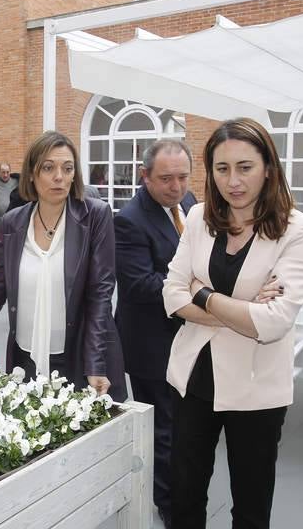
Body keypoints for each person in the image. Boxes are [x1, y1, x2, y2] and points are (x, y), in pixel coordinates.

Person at [163, 118, 303, 529]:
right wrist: (244, 308)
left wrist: (204, 293)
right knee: (185, 496)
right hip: (194, 378)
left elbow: (274, 323)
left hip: (257, 388)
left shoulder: (296, 231)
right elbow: (170, 295)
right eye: (222, 168)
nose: (233, 181)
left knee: (250, 506)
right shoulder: (198, 217)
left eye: (245, 167)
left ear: (268, 167)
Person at [0, 131, 126, 401]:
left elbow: (101, 294)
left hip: (78, 356)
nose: (59, 176)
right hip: (26, 358)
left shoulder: (95, 216)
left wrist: (95, 363)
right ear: (31, 174)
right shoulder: (12, 223)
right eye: (48, 167)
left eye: (67, 168)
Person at [114, 138, 197, 526]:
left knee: (182, 425)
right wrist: (196, 288)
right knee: (163, 430)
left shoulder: (191, 204)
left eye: (182, 177)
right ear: (144, 176)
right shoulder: (130, 219)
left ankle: (177, 490)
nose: (176, 187)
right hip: (150, 344)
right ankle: (166, 505)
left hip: (188, 338)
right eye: (166, 179)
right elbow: (138, 285)